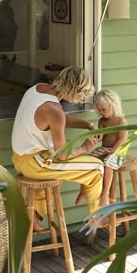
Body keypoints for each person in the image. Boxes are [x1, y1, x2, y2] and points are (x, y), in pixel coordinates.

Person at [12, 66, 104, 232]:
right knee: (97, 168)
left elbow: (56, 119)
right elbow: (62, 155)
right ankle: (94, 216)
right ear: (76, 91)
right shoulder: (55, 110)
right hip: (36, 164)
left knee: (61, 174)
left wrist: (87, 125)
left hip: (21, 159)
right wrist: (84, 148)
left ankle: (32, 216)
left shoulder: (37, 89)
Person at [89, 89, 129, 208]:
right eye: (99, 110)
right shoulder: (102, 121)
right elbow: (101, 136)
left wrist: (112, 151)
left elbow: (122, 140)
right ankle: (84, 190)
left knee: (107, 163)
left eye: (103, 109)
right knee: (88, 160)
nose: (101, 112)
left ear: (112, 105)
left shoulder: (121, 121)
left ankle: (105, 194)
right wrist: (97, 138)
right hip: (105, 149)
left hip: (118, 152)